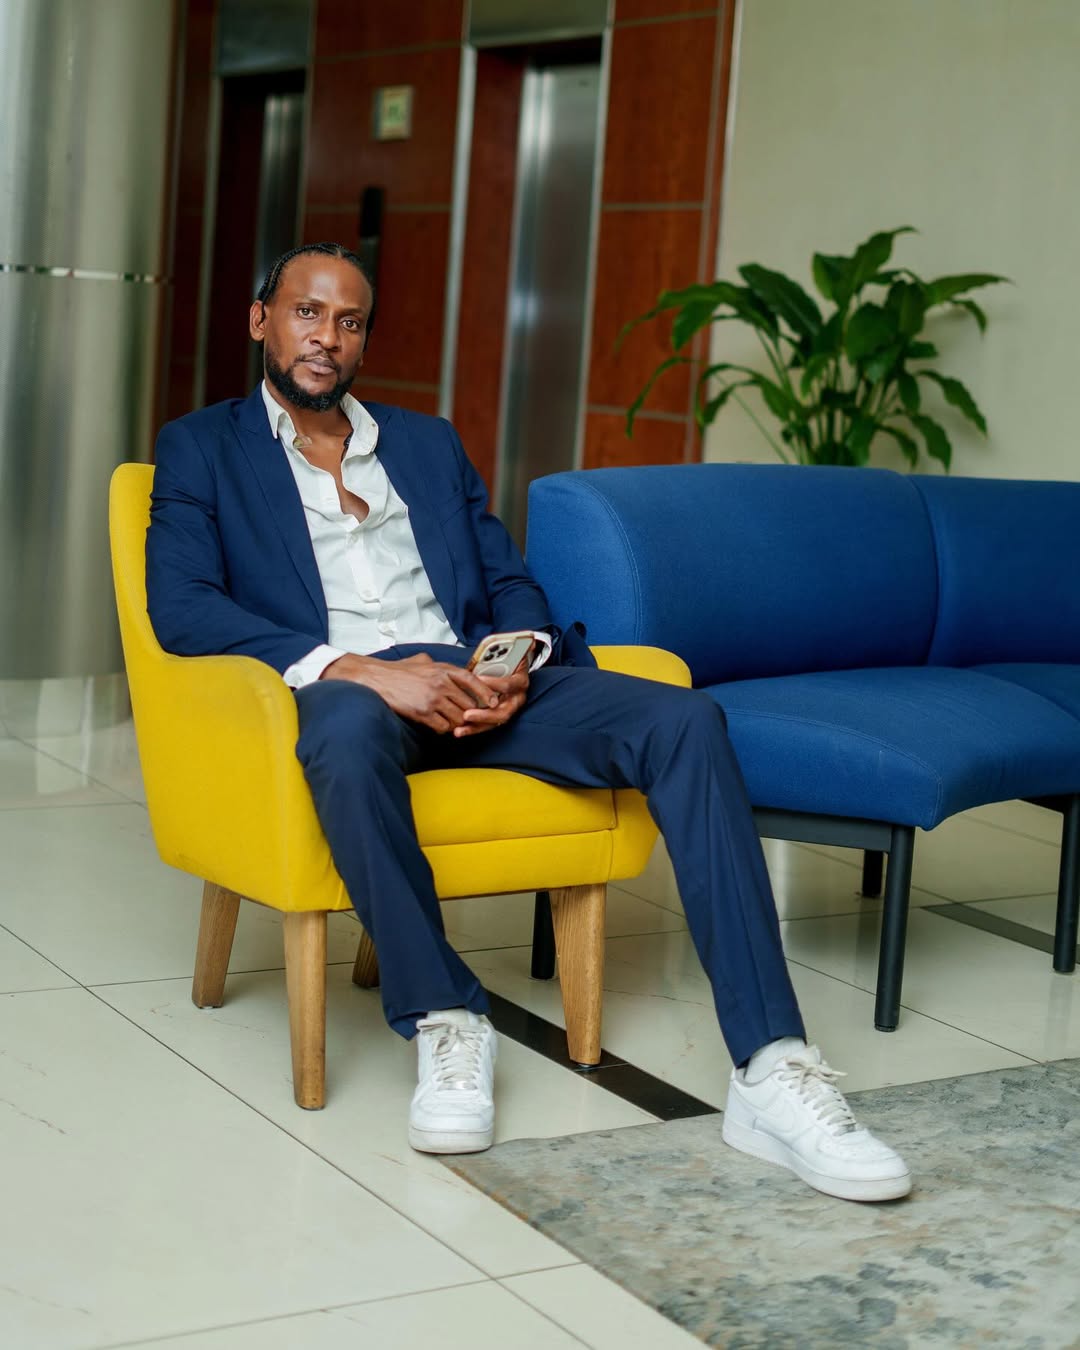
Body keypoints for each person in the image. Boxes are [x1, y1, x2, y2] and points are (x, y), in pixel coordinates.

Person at [146, 241, 911, 1203]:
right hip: (352, 690)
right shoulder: (202, 447)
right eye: (306, 313)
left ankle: (771, 1064)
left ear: (364, 342)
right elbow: (183, 608)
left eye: (348, 322)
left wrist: (513, 663)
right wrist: (364, 672)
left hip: (475, 681)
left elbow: (508, 581)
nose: (325, 338)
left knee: (686, 721)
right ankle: (446, 1019)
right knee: (340, 729)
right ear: (261, 320)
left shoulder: (426, 444)